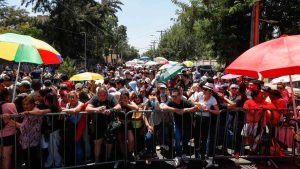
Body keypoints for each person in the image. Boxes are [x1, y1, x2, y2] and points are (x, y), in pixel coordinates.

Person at [161, 87, 200, 167]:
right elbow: (163, 106)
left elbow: (196, 108)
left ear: (180, 96)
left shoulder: (185, 101)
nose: (173, 98)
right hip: (178, 124)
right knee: (177, 140)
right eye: (172, 96)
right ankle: (178, 156)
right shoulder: (171, 101)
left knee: (185, 141)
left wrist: (185, 110)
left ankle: (184, 154)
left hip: (187, 124)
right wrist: (176, 110)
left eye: (175, 96)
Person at [85, 86, 121, 162]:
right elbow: (87, 108)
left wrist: (110, 110)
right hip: (97, 124)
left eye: (104, 95)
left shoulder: (111, 97)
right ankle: (96, 160)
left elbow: (119, 107)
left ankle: (108, 158)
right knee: (97, 142)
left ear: (107, 94)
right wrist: (97, 109)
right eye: (100, 95)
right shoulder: (95, 98)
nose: (102, 97)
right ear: (97, 94)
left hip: (109, 124)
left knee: (109, 142)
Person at [9, 95, 42, 169]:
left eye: (27, 104)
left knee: (32, 162)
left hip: (30, 142)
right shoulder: (30, 112)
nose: (25, 106)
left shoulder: (32, 113)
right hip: (30, 141)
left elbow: (23, 127)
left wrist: (9, 121)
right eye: (24, 104)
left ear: (33, 104)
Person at [0, 88, 18, 169]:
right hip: (8, 135)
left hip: (3, 135)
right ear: (6, 96)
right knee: (6, 156)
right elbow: (16, 118)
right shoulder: (10, 105)